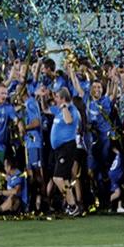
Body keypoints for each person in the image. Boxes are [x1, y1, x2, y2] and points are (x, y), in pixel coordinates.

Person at [44, 88, 81, 216]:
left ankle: (72, 204)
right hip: (59, 149)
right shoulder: (58, 110)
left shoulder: (72, 110)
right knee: (64, 180)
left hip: (67, 147)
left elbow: (69, 121)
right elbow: (45, 109)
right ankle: (72, 206)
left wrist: (65, 107)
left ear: (63, 98)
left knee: (57, 178)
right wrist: (43, 96)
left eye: (57, 97)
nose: (55, 99)